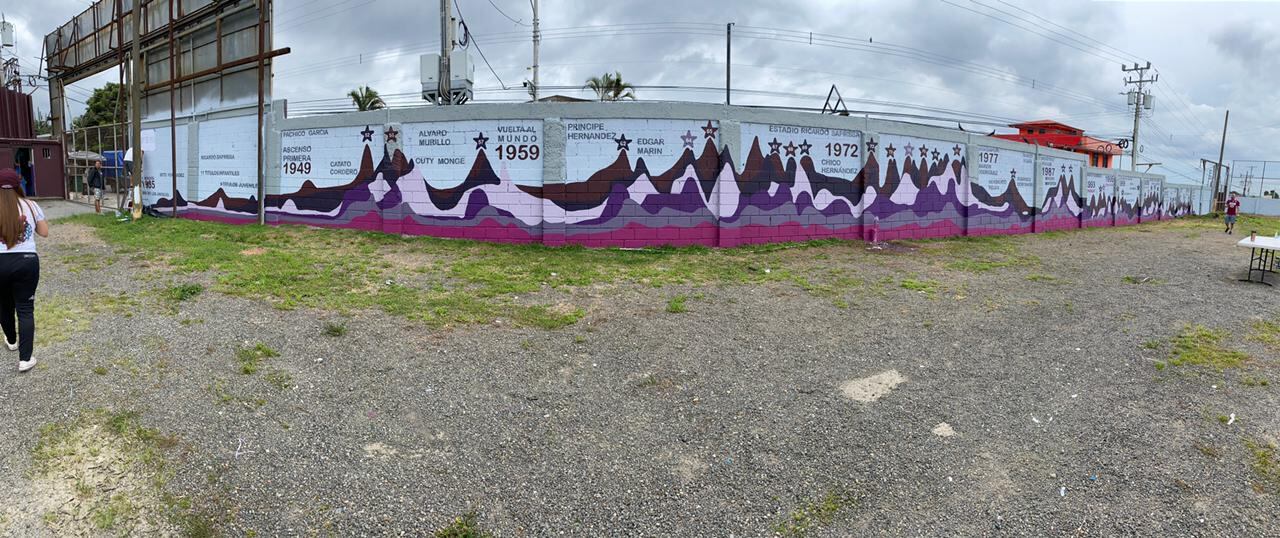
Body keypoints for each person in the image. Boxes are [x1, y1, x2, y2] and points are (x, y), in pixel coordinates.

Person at [0, 169, 48, 373]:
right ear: (19, 184)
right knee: (25, 310)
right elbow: (44, 232)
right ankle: (25, 359)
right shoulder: (30, 204)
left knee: (4, 305)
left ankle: (11, 340)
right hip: (27, 261)